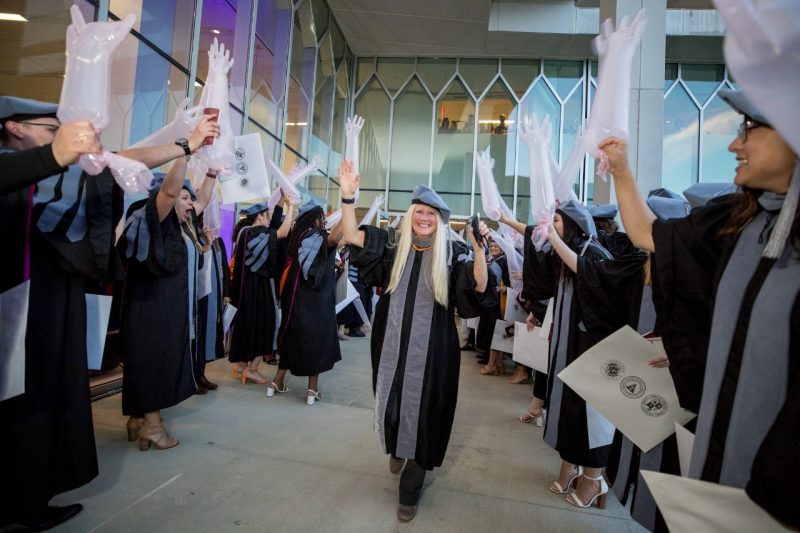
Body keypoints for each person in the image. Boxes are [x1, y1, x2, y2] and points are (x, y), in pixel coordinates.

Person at [600, 89, 799, 528]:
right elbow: (649, 234)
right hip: (713, 460)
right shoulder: (737, 220)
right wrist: (620, 169)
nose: (734, 144)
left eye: (749, 128)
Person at [0, 96, 202, 530]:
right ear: (14, 127)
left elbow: (117, 160)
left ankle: (27, 498)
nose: (62, 140)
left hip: (46, 307)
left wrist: (185, 145)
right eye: (50, 129)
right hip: (13, 311)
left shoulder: (48, 175)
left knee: (39, 400)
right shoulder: (15, 170)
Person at [339, 161, 494, 523]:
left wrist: (481, 249)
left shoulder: (452, 254)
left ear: (439, 220)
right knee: (391, 402)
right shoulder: (393, 246)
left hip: (434, 354)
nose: (424, 217)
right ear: (411, 215)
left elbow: (481, 287)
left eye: (430, 213)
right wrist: (348, 196)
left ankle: (411, 486)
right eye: (419, 211)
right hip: (391, 346)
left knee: (426, 414)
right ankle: (396, 444)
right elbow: (350, 234)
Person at [118, 115, 220, 451]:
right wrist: (186, 150)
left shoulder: (181, 226)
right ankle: (153, 427)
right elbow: (169, 189)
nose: (192, 204)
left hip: (165, 308)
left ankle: (137, 418)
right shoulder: (155, 217)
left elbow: (200, 200)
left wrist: (212, 174)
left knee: (154, 360)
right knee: (151, 360)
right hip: (150, 309)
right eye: (186, 199)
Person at [268, 194, 343, 404]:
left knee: (290, 339)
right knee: (315, 341)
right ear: (316, 218)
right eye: (322, 218)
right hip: (313, 299)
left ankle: (276, 383)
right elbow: (334, 240)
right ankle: (312, 391)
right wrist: (348, 208)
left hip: (292, 296)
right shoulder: (316, 236)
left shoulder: (296, 236)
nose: (324, 221)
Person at [229, 201, 294, 384]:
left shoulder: (246, 232)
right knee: (266, 325)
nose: (270, 217)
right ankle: (253, 369)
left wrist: (281, 200)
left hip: (246, 289)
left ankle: (241, 366)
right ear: (259, 216)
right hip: (259, 288)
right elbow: (281, 232)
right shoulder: (254, 233)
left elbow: (273, 229)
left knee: (248, 326)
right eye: (267, 214)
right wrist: (292, 208)